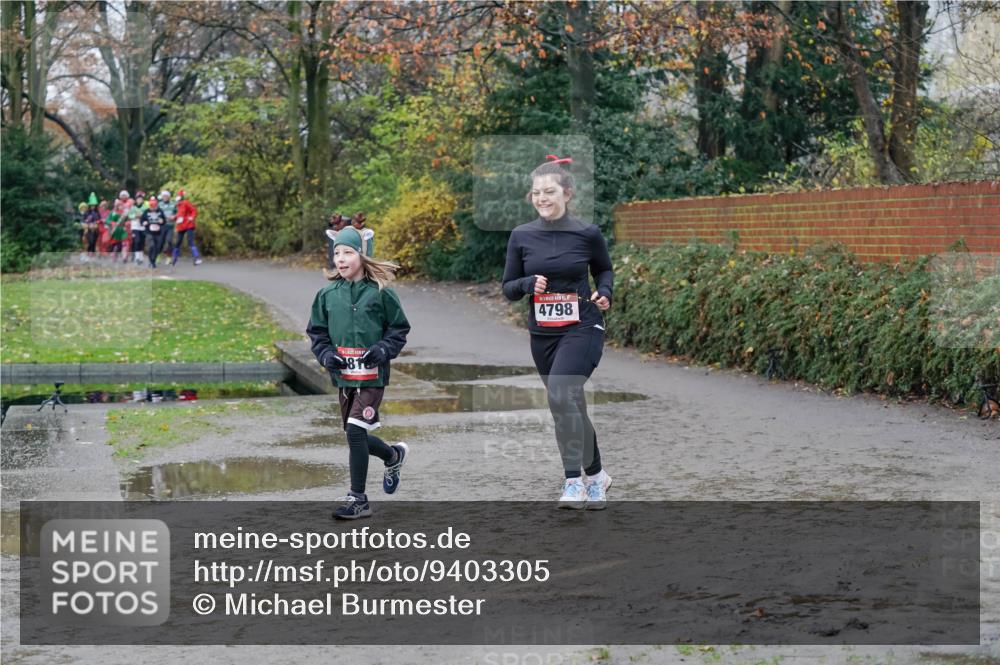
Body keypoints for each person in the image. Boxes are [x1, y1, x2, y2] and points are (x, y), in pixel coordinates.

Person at [501, 154, 614, 510]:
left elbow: (605, 271)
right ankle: (597, 476)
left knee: (562, 394)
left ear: (566, 193)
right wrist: (527, 283)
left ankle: (573, 482)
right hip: (544, 333)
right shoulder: (521, 236)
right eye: (536, 193)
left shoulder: (587, 233)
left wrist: (605, 292)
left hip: (583, 324)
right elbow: (508, 287)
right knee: (569, 404)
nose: (542, 198)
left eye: (549, 191)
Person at [306, 226, 411, 520]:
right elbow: (317, 333)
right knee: (356, 436)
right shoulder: (326, 295)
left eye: (348, 252)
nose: (340, 258)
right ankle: (393, 455)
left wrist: (382, 349)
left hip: (372, 376)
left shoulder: (381, 294)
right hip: (343, 378)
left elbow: (399, 329)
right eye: (337, 252)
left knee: (355, 431)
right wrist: (326, 354)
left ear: (363, 255)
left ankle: (358, 499)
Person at [171, 189, 202, 266]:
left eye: (179, 198)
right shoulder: (177, 206)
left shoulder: (185, 203)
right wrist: (174, 217)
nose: (177, 200)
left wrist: (192, 217)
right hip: (181, 226)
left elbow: (194, 210)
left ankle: (197, 258)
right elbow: (179, 215)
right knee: (178, 242)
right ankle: (174, 258)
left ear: (181, 198)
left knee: (190, 241)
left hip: (188, 225)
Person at [141, 195, 168, 268]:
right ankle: (151, 261)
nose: (153, 207)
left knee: (157, 247)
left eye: (154, 205)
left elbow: (164, 221)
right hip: (149, 231)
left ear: (156, 205)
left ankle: (153, 261)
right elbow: (142, 220)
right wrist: (144, 222)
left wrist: (162, 221)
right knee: (151, 246)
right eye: (151, 205)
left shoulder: (160, 211)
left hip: (158, 232)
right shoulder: (146, 211)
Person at [128, 192, 146, 265]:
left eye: (141, 199)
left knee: (142, 242)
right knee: (137, 241)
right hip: (135, 226)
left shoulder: (145, 208)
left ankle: (141, 256)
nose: (139, 200)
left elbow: (146, 216)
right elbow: (129, 216)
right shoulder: (133, 208)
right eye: (138, 199)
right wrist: (135, 216)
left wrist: (142, 216)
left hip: (142, 227)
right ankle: (137, 257)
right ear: (136, 200)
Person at [157, 190, 175, 254]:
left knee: (169, 240)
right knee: (161, 241)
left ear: (169, 196)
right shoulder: (159, 204)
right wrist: (158, 218)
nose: (165, 197)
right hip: (162, 226)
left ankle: (169, 255)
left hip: (170, 225)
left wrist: (174, 216)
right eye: (163, 196)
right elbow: (156, 213)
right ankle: (158, 255)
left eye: (166, 196)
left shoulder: (173, 204)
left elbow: (178, 213)